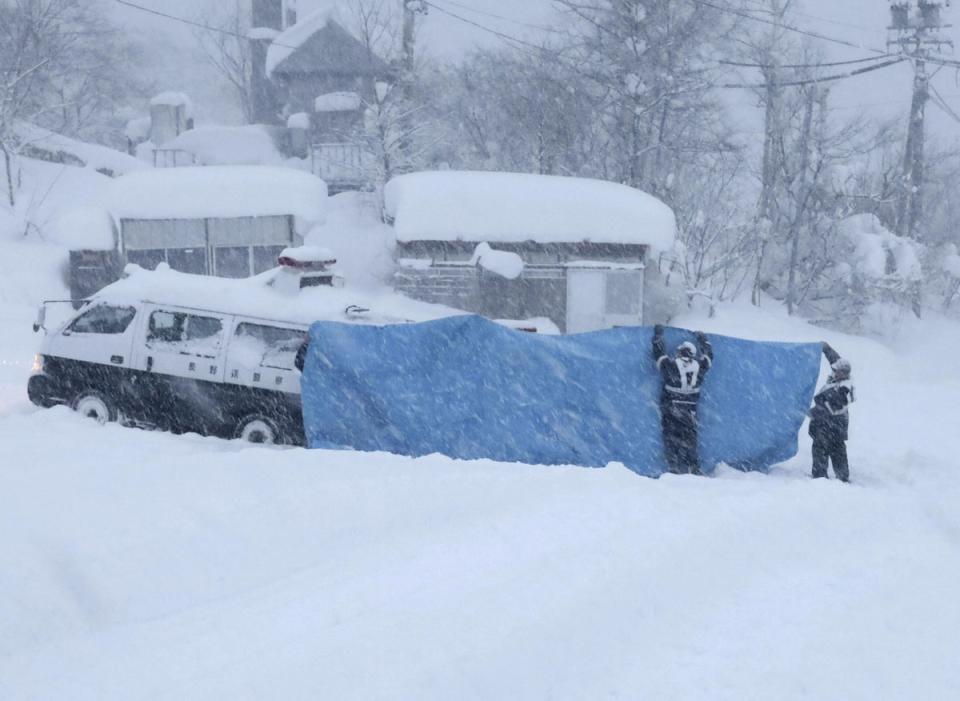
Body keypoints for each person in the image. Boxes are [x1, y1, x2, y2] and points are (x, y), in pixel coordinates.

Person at [652, 325, 713, 475]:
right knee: (690, 440)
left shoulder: (671, 365)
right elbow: (709, 356)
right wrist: (703, 339)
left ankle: (673, 466)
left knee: (670, 438)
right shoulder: (699, 366)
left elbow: (658, 353)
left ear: (679, 352)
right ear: (693, 354)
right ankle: (693, 466)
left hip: (671, 407)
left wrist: (658, 335)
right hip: (690, 410)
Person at [808, 342, 854, 482]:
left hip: (831, 425)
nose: (834, 371)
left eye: (837, 370)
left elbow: (834, 406)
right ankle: (840, 476)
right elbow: (836, 360)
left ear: (844, 373)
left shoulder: (844, 388)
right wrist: (826, 348)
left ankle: (822, 478)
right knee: (836, 448)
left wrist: (814, 411)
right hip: (830, 426)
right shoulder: (837, 378)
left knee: (824, 448)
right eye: (834, 370)